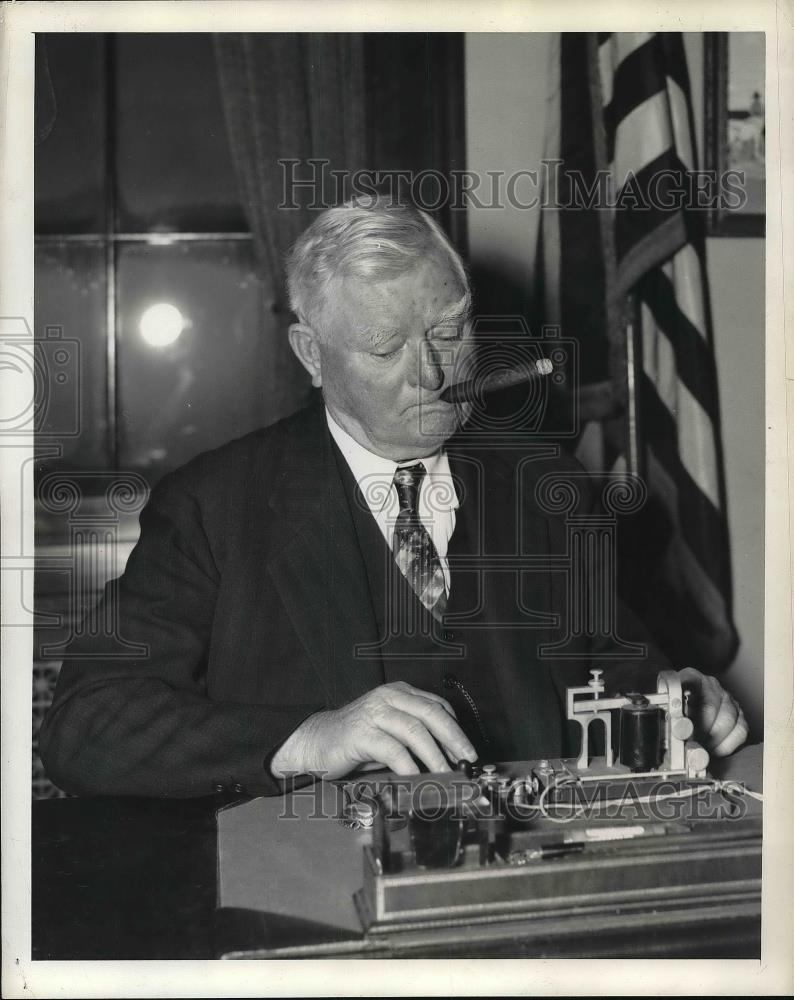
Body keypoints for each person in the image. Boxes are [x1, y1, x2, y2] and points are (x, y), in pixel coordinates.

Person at [39, 199, 748, 798]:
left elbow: (611, 666)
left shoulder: (548, 487)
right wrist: (308, 739)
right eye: (385, 350)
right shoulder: (212, 508)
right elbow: (84, 725)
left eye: (451, 330)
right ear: (311, 355)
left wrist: (671, 698)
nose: (435, 374)